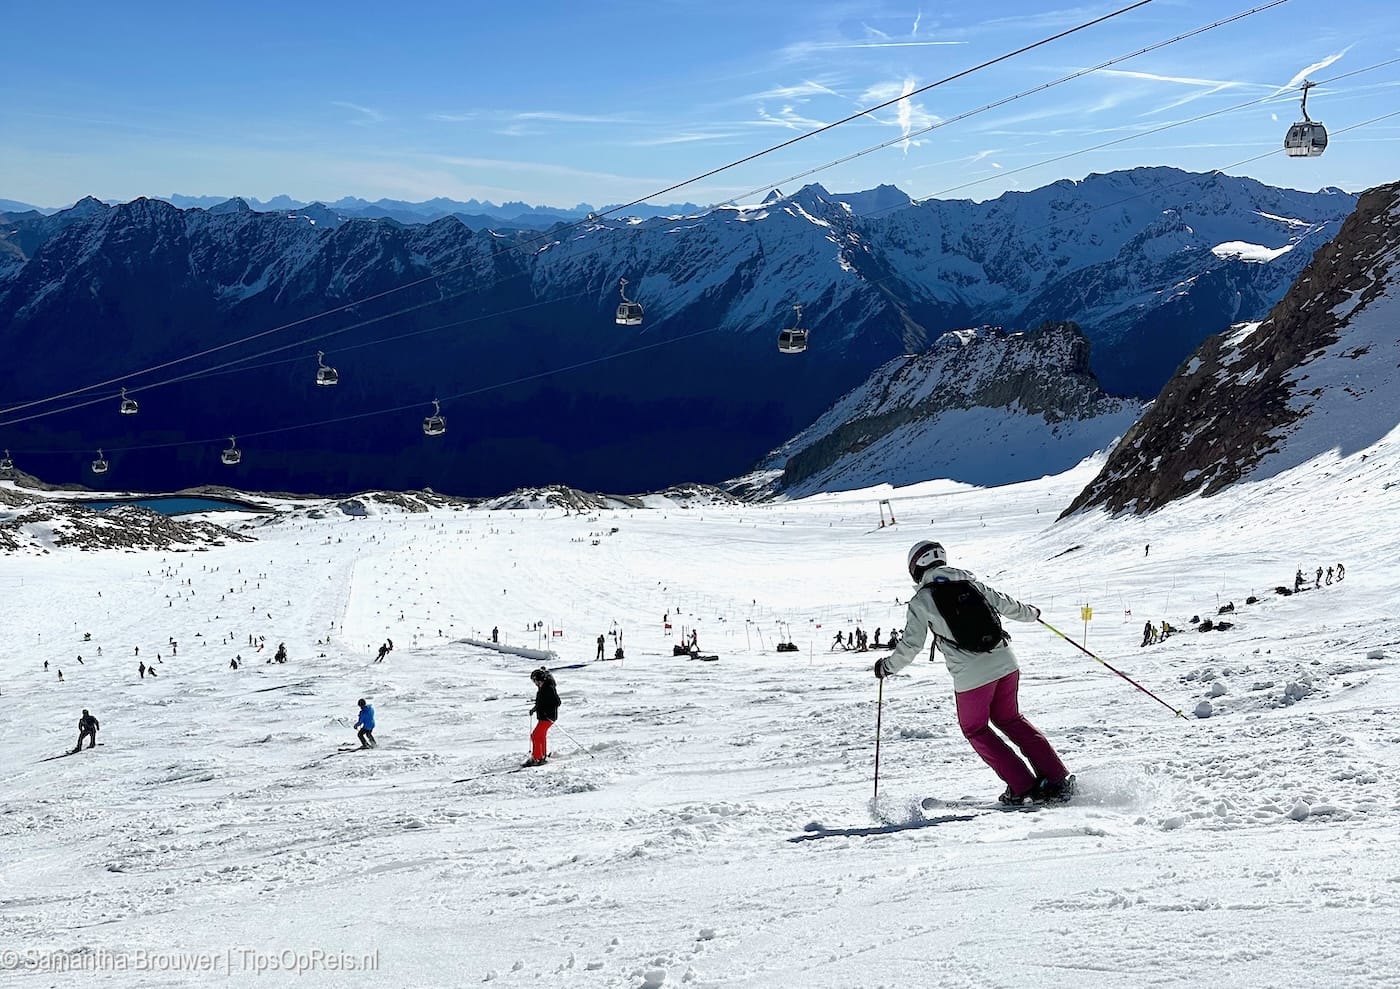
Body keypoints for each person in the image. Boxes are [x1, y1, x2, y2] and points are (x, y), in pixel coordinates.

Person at [874, 540, 1073, 806]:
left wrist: (887, 667)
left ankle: (1023, 786)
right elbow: (1009, 606)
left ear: (915, 568)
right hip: (1006, 662)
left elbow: (911, 646)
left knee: (975, 729)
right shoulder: (971, 583)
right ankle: (1057, 778)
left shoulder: (922, 600)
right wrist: (1034, 614)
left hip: (972, 676)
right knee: (1011, 719)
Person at [524, 667, 560, 767]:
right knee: (540, 736)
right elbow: (541, 703)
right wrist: (534, 709)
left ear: (540, 680)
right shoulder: (543, 688)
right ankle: (542, 755)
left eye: (535, 681)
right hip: (543, 717)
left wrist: (545, 711)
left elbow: (557, 702)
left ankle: (537, 757)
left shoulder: (549, 688)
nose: (535, 683)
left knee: (535, 735)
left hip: (548, 717)